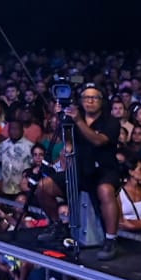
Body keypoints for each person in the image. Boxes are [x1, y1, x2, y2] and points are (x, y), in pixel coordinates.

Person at [35, 84, 121, 260]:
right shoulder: (71, 118)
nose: (89, 101)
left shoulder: (111, 121)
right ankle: (58, 226)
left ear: (101, 101)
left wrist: (79, 120)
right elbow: (67, 141)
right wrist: (60, 117)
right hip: (80, 169)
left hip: (104, 170)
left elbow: (98, 141)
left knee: (105, 191)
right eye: (86, 97)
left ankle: (111, 239)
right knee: (43, 187)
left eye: (94, 97)